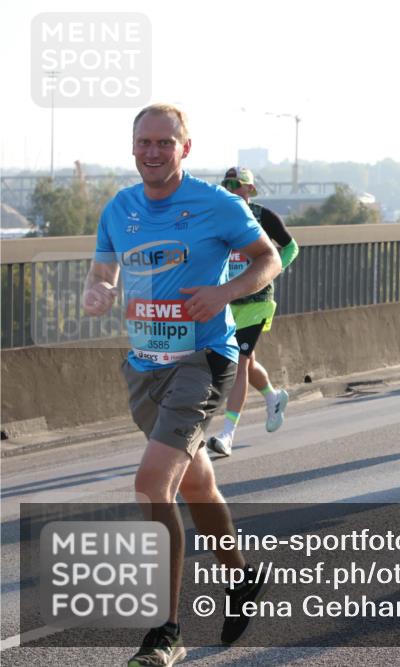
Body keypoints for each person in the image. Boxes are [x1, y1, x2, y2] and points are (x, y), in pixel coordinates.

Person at [83, 104, 280, 666]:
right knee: (196, 486)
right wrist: (97, 291)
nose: (152, 152)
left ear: (185, 149)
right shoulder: (120, 208)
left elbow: (268, 260)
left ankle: (164, 631)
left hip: (202, 361)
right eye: (143, 142)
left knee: (152, 485)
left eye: (164, 143)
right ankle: (241, 579)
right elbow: (103, 272)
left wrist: (226, 293)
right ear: (133, 147)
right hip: (144, 367)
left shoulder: (217, 205)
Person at [207, 167, 299, 457]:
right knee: (247, 361)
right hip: (228, 298)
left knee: (239, 365)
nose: (233, 188)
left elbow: (291, 247)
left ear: (250, 189)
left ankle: (227, 435)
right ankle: (273, 397)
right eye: (228, 183)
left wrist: (270, 271)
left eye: (239, 185)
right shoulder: (217, 216)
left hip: (256, 300)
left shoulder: (263, 216)